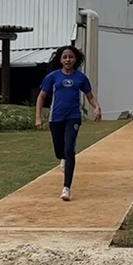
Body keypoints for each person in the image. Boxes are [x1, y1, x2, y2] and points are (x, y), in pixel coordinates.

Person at [35, 45, 102, 201]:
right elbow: (41, 97)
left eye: (71, 57)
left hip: (73, 117)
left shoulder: (80, 78)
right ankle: (63, 158)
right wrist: (38, 117)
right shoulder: (52, 77)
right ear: (60, 59)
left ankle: (66, 188)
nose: (68, 60)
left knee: (69, 149)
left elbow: (90, 96)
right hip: (56, 118)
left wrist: (97, 107)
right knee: (60, 151)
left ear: (75, 59)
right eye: (65, 57)